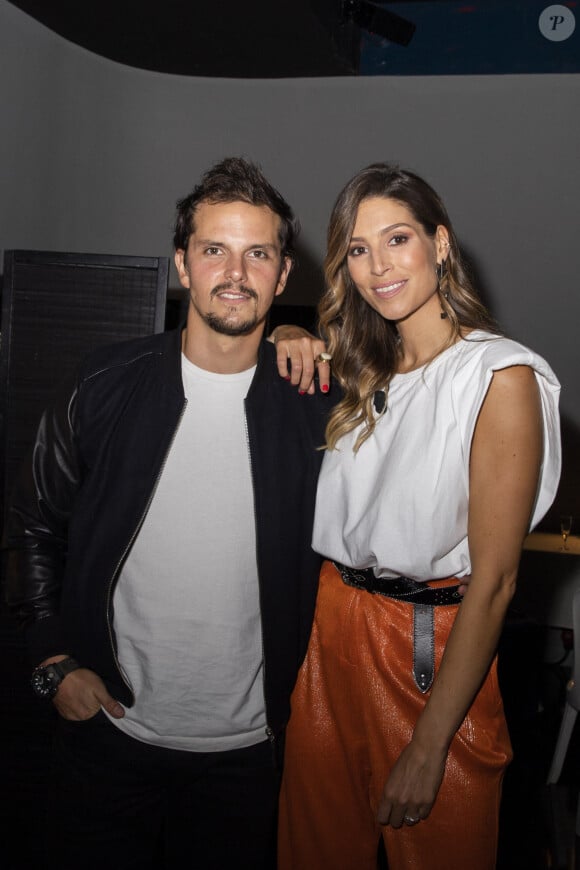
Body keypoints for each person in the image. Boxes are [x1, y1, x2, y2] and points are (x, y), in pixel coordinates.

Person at [3, 157, 334, 870]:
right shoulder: (103, 383)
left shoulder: (318, 409)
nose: (235, 273)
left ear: (283, 276)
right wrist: (52, 659)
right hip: (108, 737)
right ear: (183, 264)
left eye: (258, 253)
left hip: (252, 756)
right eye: (214, 249)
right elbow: (33, 528)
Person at [271, 163, 561, 869]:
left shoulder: (498, 375)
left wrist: (430, 745)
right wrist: (285, 327)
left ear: (440, 243)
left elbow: (494, 583)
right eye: (358, 250)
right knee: (313, 850)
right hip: (330, 625)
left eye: (396, 239)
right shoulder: (356, 369)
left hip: (430, 646)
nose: (377, 267)